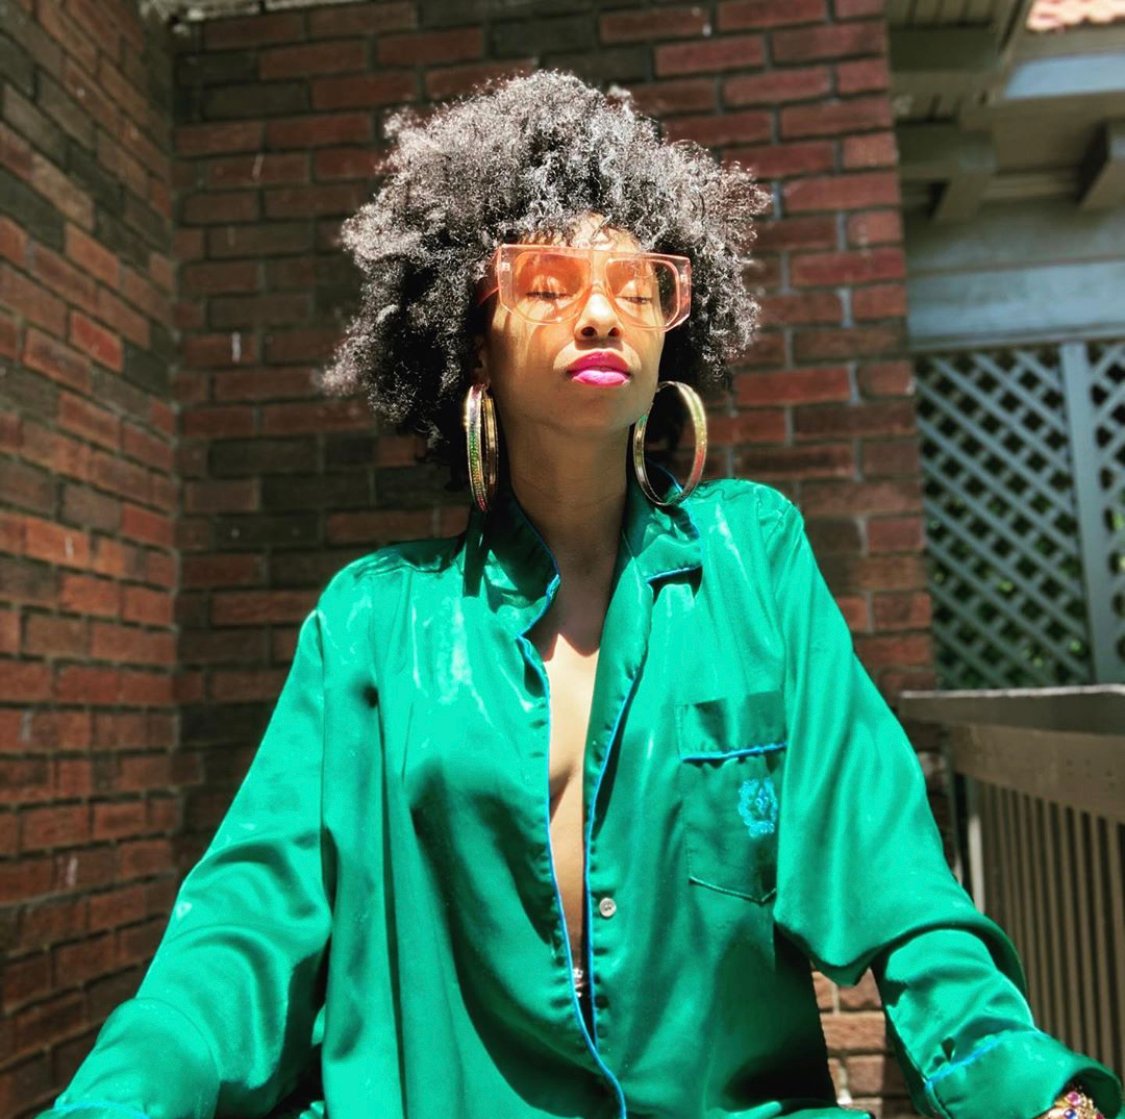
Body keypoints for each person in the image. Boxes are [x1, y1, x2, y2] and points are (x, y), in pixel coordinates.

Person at [39, 70, 1121, 1119]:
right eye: (548, 284)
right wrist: (122, 1097)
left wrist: (1030, 1089)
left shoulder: (755, 561)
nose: (600, 313)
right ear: (469, 338)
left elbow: (895, 876)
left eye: (637, 287)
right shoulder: (372, 622)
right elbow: (241, 934)